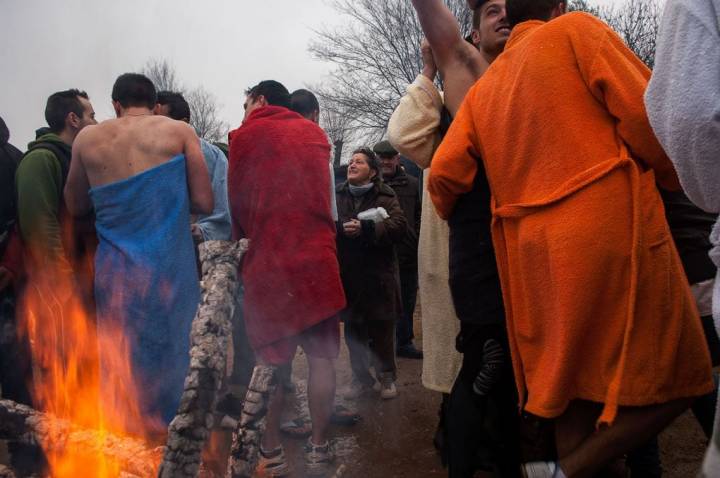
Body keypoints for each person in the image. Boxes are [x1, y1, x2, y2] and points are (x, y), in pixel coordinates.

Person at [428, 1, 715, 476]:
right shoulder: (578, 32)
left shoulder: (486, 88)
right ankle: (569, 471)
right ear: (559, 6)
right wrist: (671, 177)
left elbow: (444, 174)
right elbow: (650, 120)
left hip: (530, 259)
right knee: (687, 375)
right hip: (605, 229)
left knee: (571, 391)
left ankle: (556, 466)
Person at [402, 1, 523, 475]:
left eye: (510, 5)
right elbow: (442, 33)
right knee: (486, 363)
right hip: (484, 250)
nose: (502, 13)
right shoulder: (471, 73)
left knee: (522, 378)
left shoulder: (560, 59)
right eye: (490, 9)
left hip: (546, 246)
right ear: (474, 33)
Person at [64, 73, 213, 426]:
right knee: (176, 357)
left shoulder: (87, 139)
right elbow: (206, 200)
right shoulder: (179, 132)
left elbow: (74, 205)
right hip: (170, 270)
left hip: (118, 274)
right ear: (154, 103)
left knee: (122, 360)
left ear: (116, 104)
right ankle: (175, 444)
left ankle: (127, 447)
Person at [228, 80, 346, 476]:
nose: (244, 112)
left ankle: (272, 452)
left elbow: (238, 212)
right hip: (318, 263)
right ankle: (319, 446)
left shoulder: (243, 139)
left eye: (246, 103)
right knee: (322, 359)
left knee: (270, 363)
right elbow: (327, 207)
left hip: (270, 267)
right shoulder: (315, 134)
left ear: (260, 101)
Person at [644, 0, 720, 474]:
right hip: (688, 270)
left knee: (675, 378)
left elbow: (688, 118)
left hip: (686, 271)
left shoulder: (643, 146)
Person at [336, 148, 407, 401]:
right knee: (354, 331)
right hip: (350, 275)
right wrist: (341, 229)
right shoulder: (337, 194)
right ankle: (360, 379)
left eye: (359, 162)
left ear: (373, 171)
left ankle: (386, 378)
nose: (352, 165)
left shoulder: (385, 195)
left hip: (379, 276)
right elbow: (326, 223)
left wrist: (367, 228)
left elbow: (399, 227)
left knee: (382, 330)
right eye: (351, 161)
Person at [154, 91, 231, 242]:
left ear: (184, 124)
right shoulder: (142, 155)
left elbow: (222, 215)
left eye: (164, 124)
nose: (157, 131)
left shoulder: (214, 157)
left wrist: (201, 230)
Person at [373, 140, 422, 360]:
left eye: (389, 158)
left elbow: (420, 214)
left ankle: (404, 342)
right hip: (381, 253)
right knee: (382, 300)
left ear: (397, 159)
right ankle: (381, 345)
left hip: (408, 252)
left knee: (408, 298)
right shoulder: (372, 185)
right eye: (381, 158)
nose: (385, 162)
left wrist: (417, 237)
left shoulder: (413, 184)